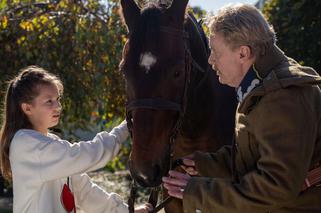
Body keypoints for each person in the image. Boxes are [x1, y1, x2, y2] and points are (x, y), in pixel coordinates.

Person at [162, 3, 321, 213]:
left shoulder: (282, 96)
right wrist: (203, 164)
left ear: (243, 53)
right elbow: (252, 155)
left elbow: (275, 186)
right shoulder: (260, 85)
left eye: (216, 52)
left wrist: (197, 192)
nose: (210, 61)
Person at [0, 65, 152, 213]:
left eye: (57, 99)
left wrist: (126, 211)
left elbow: (85, 192)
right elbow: (86, 155)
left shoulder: (51, 142)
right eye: (49, 101)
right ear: (27, 108)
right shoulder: (25, 144)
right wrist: (126, 127)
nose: (58, 106)